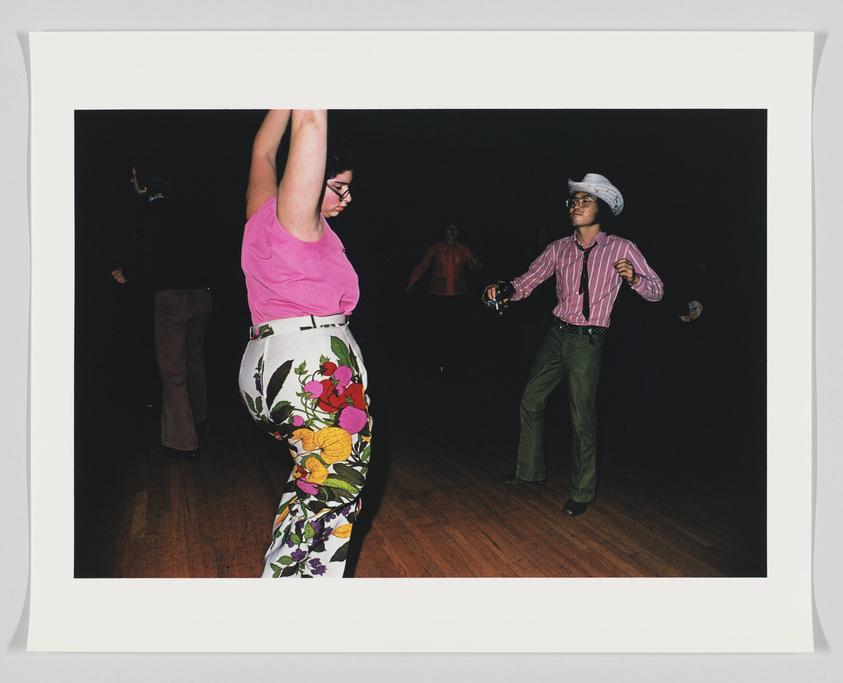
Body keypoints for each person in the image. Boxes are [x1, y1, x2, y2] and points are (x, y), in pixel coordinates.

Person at [238, 110, 371, 578]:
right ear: (310, 178)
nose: (347, 197)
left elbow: (262, 151)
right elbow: (311, 124)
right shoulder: (297, 220)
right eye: (339, 185)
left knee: (314, 486)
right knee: (335, 497)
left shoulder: (263, 214)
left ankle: (282, 579)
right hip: (308, 368)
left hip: (263, 366)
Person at [484, 173, 663, 517]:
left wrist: (635, 279)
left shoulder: (622, 248)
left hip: (588, 341)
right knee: (530, 400)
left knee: (582, 418)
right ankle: (529, 472)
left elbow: (658, 291)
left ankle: (582, 492)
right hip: (556, 334)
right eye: (573, 201)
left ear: (603, 208)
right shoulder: (558, 248)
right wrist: (504, 288)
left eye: (586, 200)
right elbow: (528, 281)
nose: (576, 206)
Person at [112, 160, 212, 462]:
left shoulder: (150, 213)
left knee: (173, 372)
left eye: (133, 177)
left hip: (173, 298)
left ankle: (183, 442)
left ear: (147, 181)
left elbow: (149, 256)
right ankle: (199, 421)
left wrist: (126, 272)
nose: (131, 182)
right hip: (203, 295)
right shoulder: (188, 208)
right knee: (195, 361)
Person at [405, 224, 482, 375]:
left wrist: (475, 263)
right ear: (445, 230)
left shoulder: (463, 248)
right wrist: (411, 282)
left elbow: (476, 266)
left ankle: (454, 365)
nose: (452, 232)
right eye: (449, 228)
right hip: (437, 295)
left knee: (456, 331)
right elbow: (423, 265)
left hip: (458, 296)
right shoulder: (436, 247)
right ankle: (437, 364)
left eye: (455, 228)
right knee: (437, 331)